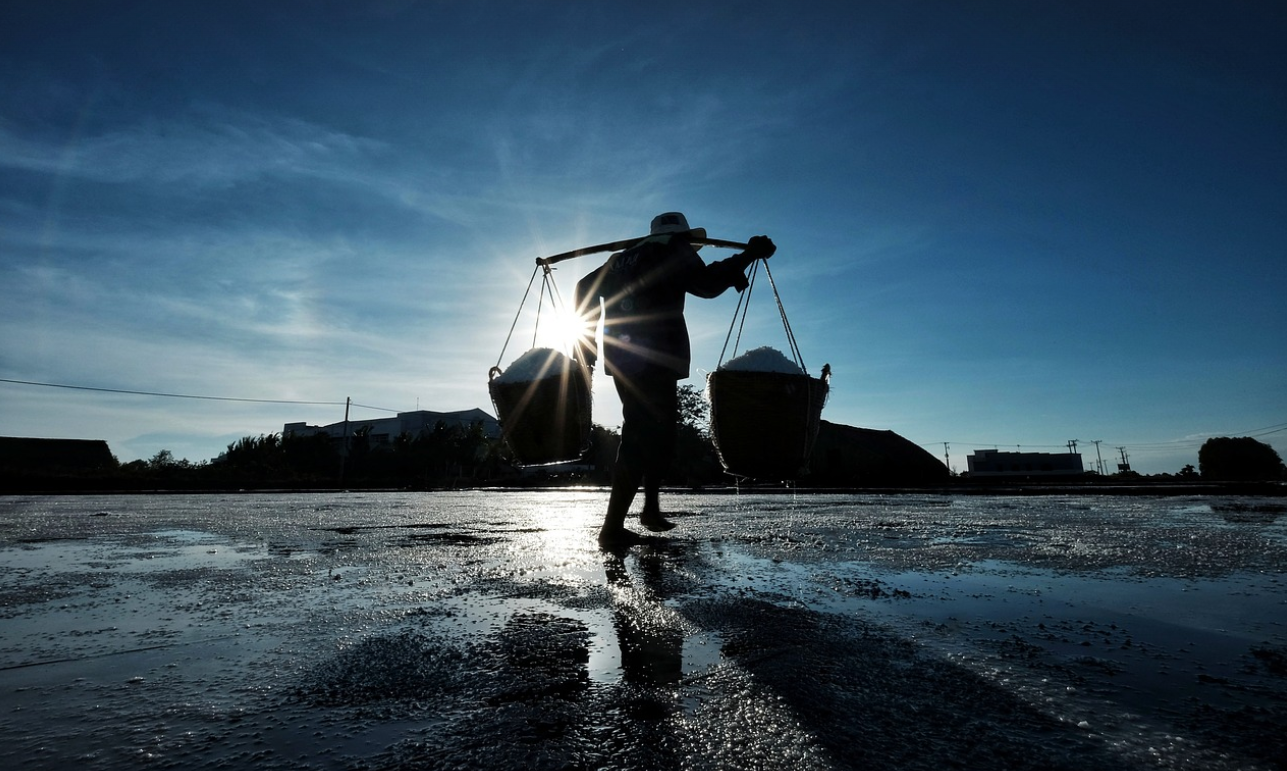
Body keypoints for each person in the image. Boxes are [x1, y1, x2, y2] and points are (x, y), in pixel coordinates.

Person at [573, 212, 775, 548]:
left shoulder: (622, 259)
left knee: (654, 431)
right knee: (644, 434)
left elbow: (583, 288)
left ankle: (649, 509)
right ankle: (613, 528)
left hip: (622, 357)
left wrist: (588, 347)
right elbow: (705, 283)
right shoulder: (674, 250)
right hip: (654, 357)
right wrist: (748, 255)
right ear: (682, 236)